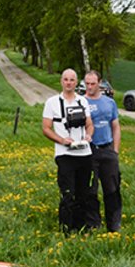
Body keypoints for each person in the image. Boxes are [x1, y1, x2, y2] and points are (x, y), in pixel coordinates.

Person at [42, 68, 100, 233]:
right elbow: (46, 128)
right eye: (66, 79)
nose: (69, 83)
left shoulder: (82, 101)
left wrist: (89, 135)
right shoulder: (52, 102)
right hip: (65, 154)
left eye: (72, 80)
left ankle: (81, 228)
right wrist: (62, 140)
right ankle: (66, 229)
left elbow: (89, 124)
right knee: (68, 193)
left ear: (76, 82)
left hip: (84, 153)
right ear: (61, 81)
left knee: (84, 193)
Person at [83, 70, 122, 232]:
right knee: (91, 190)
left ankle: (114, 225)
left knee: (112, 189)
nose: (90, 87)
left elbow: (116, 126)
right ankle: (93, 224)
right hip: (89, 151)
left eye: (93, 83)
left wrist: (115, 150)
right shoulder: (81, 102)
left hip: (107, 149)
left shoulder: (109, 103)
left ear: (99, 83)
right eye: (87, 83)